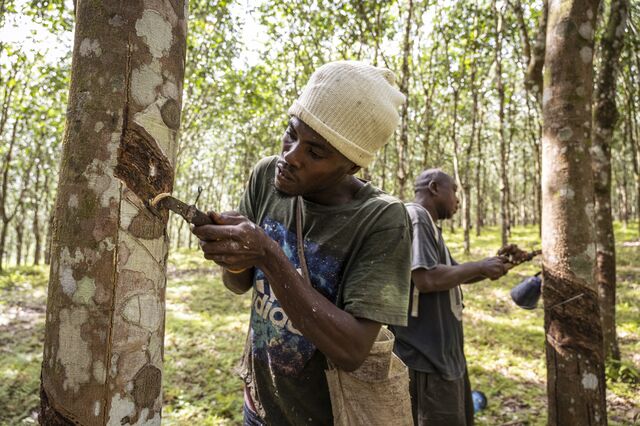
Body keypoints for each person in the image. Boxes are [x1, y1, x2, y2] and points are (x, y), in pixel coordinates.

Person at [191, 61, 411, 425]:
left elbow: (352, 349)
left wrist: (268, 253)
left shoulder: (382, 219)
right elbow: (239, 284)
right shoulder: (267, 176)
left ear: (351, 165)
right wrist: (232, 256)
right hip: (260, 407)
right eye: (291, 135)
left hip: (333, 415)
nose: (290, 157)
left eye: (315, 152)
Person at [391, 169, 512, 426]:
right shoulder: (417, 216)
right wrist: (480, 266)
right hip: (425, 358)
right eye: (455, 191)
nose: (458, 200)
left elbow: (456, 274)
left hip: (444, 357)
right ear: (434, 188)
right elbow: (427, 279)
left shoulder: (430, 228)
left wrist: (496, 265)